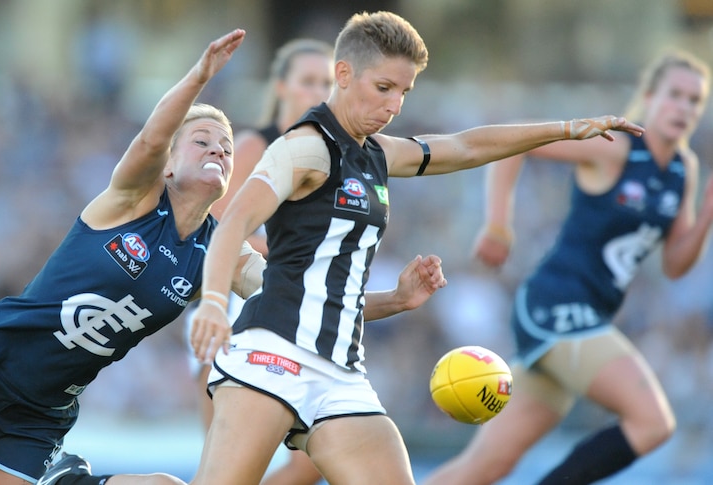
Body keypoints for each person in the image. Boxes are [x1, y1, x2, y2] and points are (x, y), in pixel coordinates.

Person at [185, 11, 645, 485]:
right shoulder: (304, 147)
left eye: (404, 92)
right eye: (384, 87)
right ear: (343, 74)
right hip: (270, 355)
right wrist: (215, 305)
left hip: (341, 374)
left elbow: (465, 148)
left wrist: (566, 128)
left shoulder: (378, 152)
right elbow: (232, 222)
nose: (395, 104)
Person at [0, 29, 250, 485]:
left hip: (39, 413)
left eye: (227, 148)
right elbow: (152, 141)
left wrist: (361, 304)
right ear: (169, 165)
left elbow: (303, 294)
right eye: (202, 140)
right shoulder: (132, 200)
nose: (218, 149)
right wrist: (199, 77)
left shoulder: (220, 249)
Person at [422, 51, 713, 485]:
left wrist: (706, 210)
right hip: (554, 305)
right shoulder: (615, 146)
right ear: (649, 97)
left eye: (695, 100)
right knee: (653, 422)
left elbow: (674, 266)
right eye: (675, 95)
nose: (684, 108)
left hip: (583, 320)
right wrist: (499, 223)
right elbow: (515, 147)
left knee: (486, 467)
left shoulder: (682, 170)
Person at [185, 37, 333, 485]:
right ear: (282, 87)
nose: (320, 92)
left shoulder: (336, 156)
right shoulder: (254, 145)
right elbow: (215, 227)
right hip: (236, 306)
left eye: (328, 82)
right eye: (308, 81)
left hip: (302, 313)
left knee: (313, 463)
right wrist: (292, 253)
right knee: (224, 463)